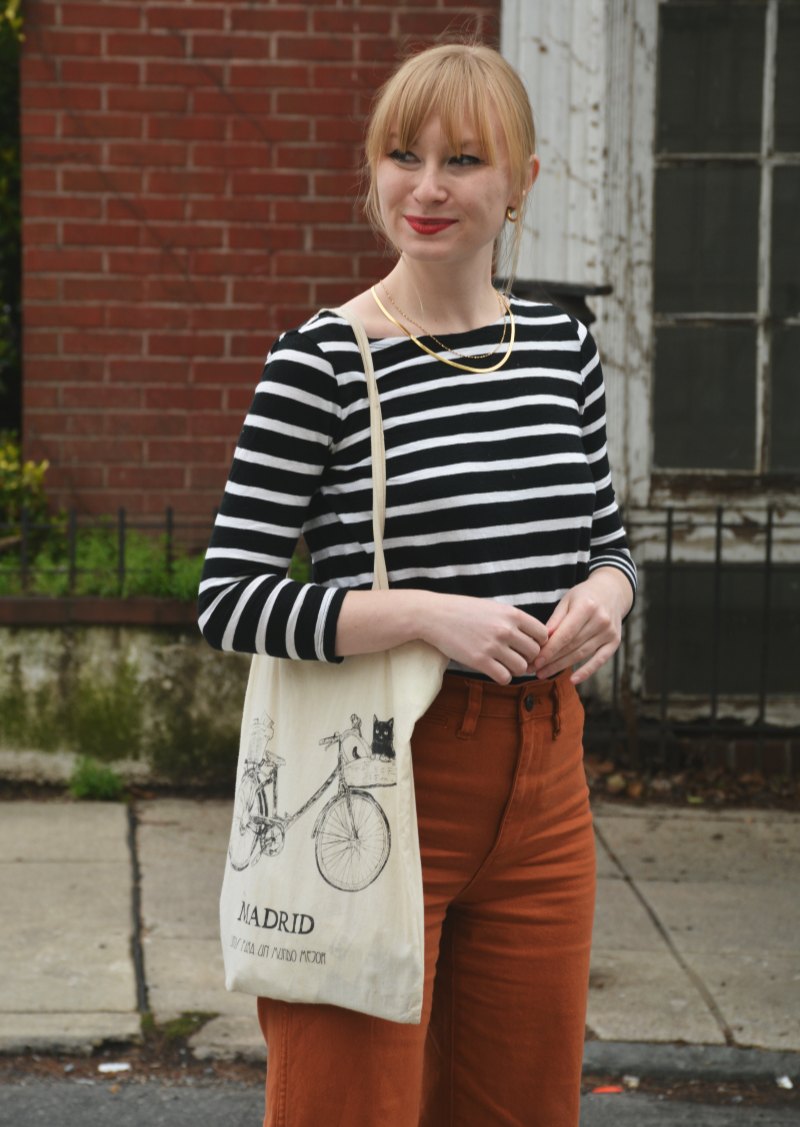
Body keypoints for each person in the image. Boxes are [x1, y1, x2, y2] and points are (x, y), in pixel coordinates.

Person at [198, 40, 636, 1127]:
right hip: (381, 775)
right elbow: (229, 595)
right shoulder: (323, 360)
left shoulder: (558, 345)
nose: (426, 187)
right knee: (348, 1107)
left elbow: (608, 537)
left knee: (521, 1106)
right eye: (402, 154)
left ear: (521, 182)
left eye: (463, 160)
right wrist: (420, 615)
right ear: (372, 169)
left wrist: (608, 596)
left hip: (545, 773)